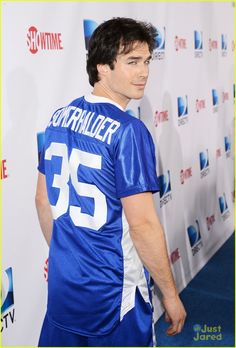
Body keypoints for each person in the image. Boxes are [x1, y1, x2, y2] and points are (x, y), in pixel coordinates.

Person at [35, 17, 186, 347]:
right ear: (102, 66)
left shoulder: (58, 118)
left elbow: (42, 202)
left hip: (65, 286)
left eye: (146, 61)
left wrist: (72, 255)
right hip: (114, 295)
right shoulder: (128, 131)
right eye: (132, 62)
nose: (144, 72)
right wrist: (171, 296)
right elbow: (143, 225)